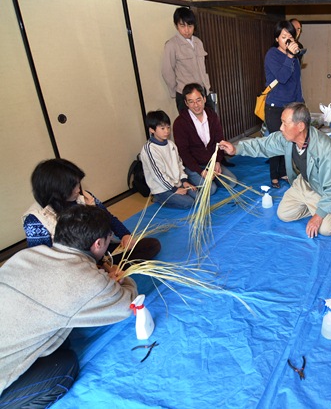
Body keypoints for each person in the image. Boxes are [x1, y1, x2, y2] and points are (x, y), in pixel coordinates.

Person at [0, 205, 138, 407]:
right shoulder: (88, 280)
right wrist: (123, 278)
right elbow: (128, 304)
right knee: (64, 366)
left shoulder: (24, 255)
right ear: (99, 243)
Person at [219, 103, 331, 238]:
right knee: (284, 214)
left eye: (285, 123)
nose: (280, 127)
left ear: (300, 126)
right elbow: (263, 145)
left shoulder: (326, 150)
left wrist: (318, 216)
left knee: (326, 229)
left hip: (326, 189)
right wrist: (236, 149)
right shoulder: (287, 138)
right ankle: (313, 204)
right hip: (306, 181)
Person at [22, 159, 161, 264]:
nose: (78, 189)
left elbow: (108, 218)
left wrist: (125, 235)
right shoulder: (36, 219)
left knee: (151, 246)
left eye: (78, 184)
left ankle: (105, 269)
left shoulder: (85, 197)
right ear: (56, 190)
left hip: (101, 251)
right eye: (72, 186)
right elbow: (42, 260)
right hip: (72, 266)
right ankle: (102, 272)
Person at [173, 83, 236, 193]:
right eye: (191, 101)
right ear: (186, 103)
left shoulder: (212, 116)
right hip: (194, 166)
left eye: (198, 100)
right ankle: (191, 179)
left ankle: (209, 177)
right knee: (211, 189)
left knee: (232, 182)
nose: (196, 105)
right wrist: (200, 171)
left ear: (204, 99)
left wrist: (217, 162)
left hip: (211, 163)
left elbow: (219, 141)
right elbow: (184, 153)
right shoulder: (180, 123)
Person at [263, 20, 304, 188]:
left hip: (290, 106)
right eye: (284, 36)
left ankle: (284, 172)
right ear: (277, 39)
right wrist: (289, 56)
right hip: (275, 106)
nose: (288, 40)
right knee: (276, 141)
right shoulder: (272, 55)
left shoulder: (294, 56)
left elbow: (296, 81)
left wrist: (300, 103)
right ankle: (274, 175)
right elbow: (282, 77)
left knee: (289, 141)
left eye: (290, 36)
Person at [140, 110, 198, 209]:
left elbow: (179, 164)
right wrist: (174, 189)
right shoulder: (149, 149)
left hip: (177, 183)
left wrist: (184, 181)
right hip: (163, 188)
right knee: (189, 203)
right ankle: (159, 198)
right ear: (152, 130)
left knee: (198, 196)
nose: (166, 131)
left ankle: (177, 192)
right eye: (162, 128)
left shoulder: (171, 144)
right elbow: (158, 175)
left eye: (168, 127)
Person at [162, 7, 215, 112]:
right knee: (189, 126)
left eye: (190, 26)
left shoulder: (198, 42)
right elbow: (167, 71)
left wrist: (207, 87)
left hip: (203, 92)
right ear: (176, 25)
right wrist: (178, 91)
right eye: (182, 26)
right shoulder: (171, 45)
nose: (186, 30)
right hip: (185, 95)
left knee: (211, 121)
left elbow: (203, 69)